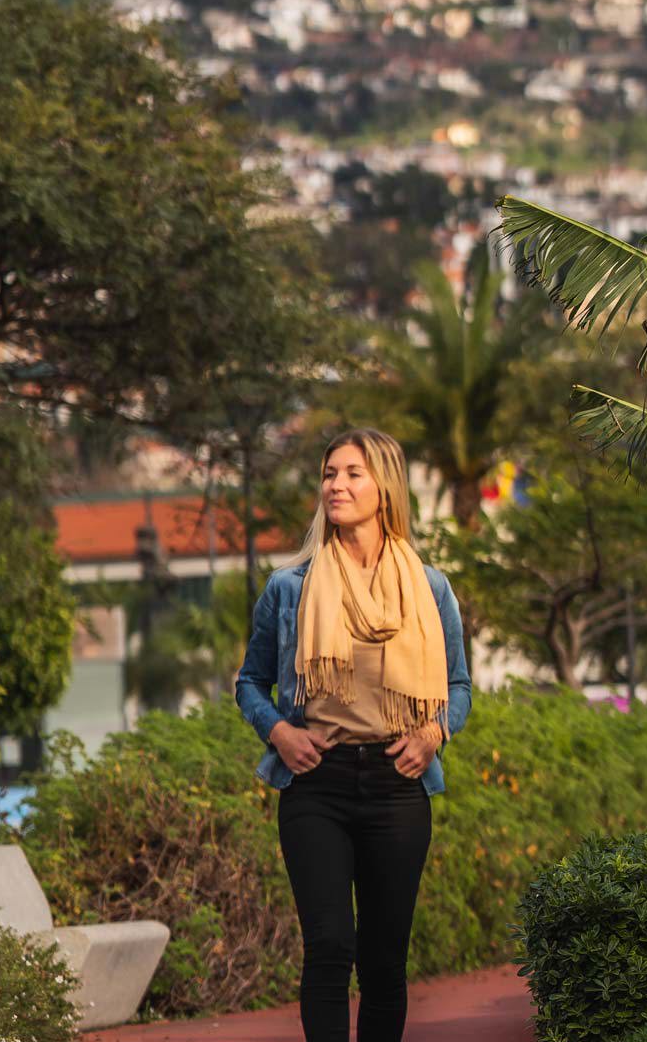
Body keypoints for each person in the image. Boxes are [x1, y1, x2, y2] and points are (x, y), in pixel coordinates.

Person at [235, 427, 473, 1042]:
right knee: (330, 945)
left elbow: (459, 686)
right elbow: (249, 683)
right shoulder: (291, 588)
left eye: (351, 473)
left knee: (384, 960)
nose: (335, 485)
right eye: (329, 473)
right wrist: (280, 732)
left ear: (384, 487)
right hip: (317, 783)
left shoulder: (430, 588)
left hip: (398, 783)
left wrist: (434, 735)